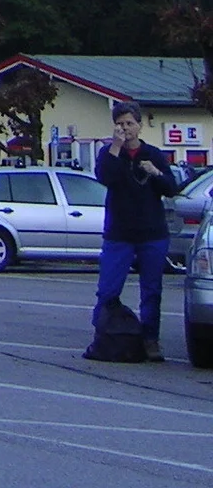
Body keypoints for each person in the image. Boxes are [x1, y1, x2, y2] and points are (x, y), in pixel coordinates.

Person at [94, 99, 180, 362]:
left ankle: (150, 339)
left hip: (152, 234)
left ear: (140, 126)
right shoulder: (109, 153)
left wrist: (155, 173)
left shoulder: (153, 154)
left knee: (151, 290)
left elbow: (171, 188)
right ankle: (103, 335)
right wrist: (116, 146)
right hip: (119, 234)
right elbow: (105, 177)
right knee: (108, 289)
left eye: (130, 123)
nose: (125, 128)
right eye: (120, 124)